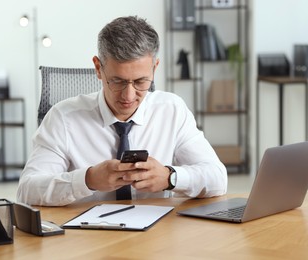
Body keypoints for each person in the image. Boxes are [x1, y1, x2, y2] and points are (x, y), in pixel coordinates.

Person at [17, 16, 227, 206]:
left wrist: (170, 177)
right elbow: (27, 190)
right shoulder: (63, 118)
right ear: (98, 68)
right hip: (87, 238)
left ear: (154, 68)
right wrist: (87, 180)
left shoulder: (172, 110)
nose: (128, 96)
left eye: (140, 82)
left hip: (157, 237)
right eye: (117, 81)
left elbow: (218, 178)